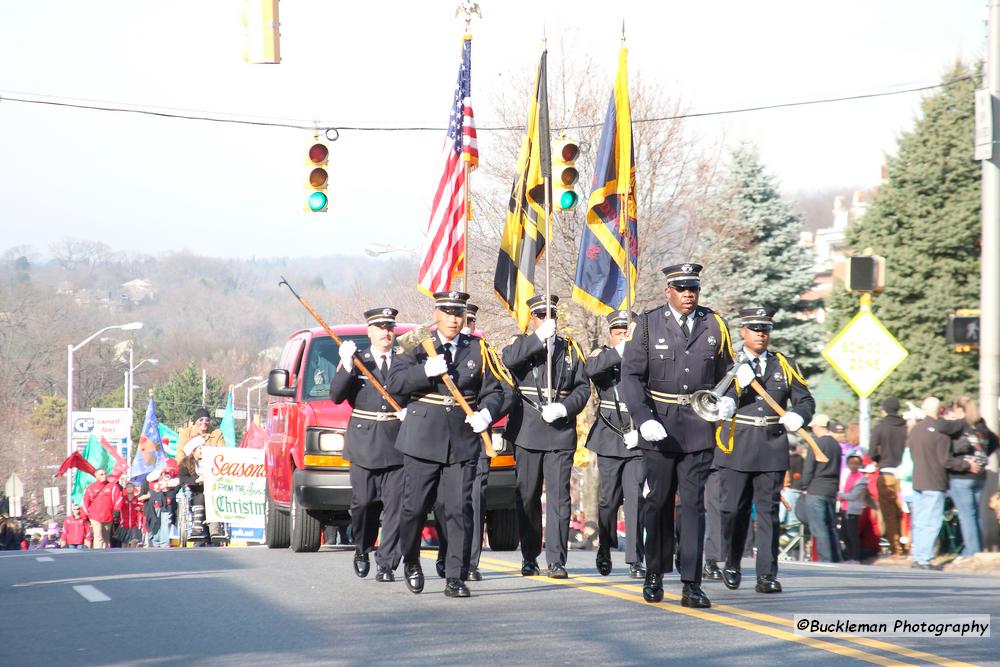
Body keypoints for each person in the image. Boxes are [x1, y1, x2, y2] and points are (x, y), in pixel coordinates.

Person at [619, 262, 736, 608]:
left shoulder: (714, 324)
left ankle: (691, 582)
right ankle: (654, 572)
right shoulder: (647, 324)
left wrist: (729, 400)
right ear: (668, 291)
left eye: (694, 289)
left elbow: (728, 372)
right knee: (657, 501)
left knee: (693, 506)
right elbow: (631, 377)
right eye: (682, 289)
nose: (689, 295)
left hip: (699, 425)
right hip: (659, 426)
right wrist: (642, 418)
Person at [386, 290, 509, 598]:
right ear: (437, 313)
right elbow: (395, 385)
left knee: (458, 509)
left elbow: (497, 390)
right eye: (449, 312)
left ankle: (455, 575)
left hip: (462, 442)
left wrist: (486, 413)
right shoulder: (414, 345)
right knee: (414, 509)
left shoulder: (477, 349)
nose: (455, 319)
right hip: (422, 439)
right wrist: (424, 372)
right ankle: (412, 561)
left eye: (460, 313)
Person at [714, 307, 815, 594]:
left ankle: (767, 575)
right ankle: (732, 562)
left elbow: (805, 400)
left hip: (771, 444)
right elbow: (715, 397)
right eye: (755, 329)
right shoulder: (729, 362)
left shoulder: (784, 364)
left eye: (765, 329)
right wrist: (731, 396)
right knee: (733, 509)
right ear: (743, 332)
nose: (761, 334)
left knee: (769, 512)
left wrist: (800, 416)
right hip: (737, 443)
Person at [502, 294, 590, 580]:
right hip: (527, 431)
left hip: (560, 431)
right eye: (540, 314)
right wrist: (538, 338)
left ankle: (556, 559)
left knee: (559, 498)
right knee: (526, 496)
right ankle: (529, 556)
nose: (546, 318)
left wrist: (565, 407)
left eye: (550, 314)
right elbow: (509, 361)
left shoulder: (571, 349)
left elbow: (582, 388)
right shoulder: (521, 344)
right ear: (531, 319)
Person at [330, 306, 407, 582]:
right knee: (363, 504)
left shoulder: (404, 361)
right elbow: (336, 396)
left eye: (390, 328)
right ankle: (362, 548)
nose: (386, 333)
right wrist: (346, 366)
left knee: (396, 507)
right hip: (364, 443)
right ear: (369, 331)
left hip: (397, 441)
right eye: (380, 328)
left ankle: (387, 563)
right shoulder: (359, 360)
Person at [435, 302, 503, 582]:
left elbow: (501, 390)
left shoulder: (483, 351)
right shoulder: (430, 347)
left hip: (473, 439)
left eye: (467, 320)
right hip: (437, 440)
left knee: (467, 503)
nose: (462, 323)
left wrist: (486, 414)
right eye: (458, 318)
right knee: (442, 505)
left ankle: (465, 564)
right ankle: (446, 552)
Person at [584, 310, 646, 579]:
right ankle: (605, 548)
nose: (623, 336)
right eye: (618, 332)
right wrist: (620, 350)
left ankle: (634, 558)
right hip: (610, 435)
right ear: (611, 334)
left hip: (638, 436)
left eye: (627, 332)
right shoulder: (603, 354)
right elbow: (591, 370)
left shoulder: (646, 356)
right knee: (609, 499)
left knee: (635, 499)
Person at [908, 396, 976, 570]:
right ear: (940, 410)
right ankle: (925, 558)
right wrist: (967, 464)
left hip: (918, 479)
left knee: (920, 520)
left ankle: (918, 556)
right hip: (935, 481)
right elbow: (945, 460)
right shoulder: (941, 434)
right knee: (932, 521)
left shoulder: (915, 430)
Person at [947, 397, 998, 557]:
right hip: (980, 476)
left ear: (960, 410)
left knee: (966, 515)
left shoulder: (959, 425)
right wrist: (982, 456)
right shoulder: (981, 426)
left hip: (962, 475)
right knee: (976, 513)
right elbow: (995, 441)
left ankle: (971, 551)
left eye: (954, 409)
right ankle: (978, 548)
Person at [800, 415, 843, 562]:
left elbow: (809, 468)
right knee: (831, 526)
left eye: (813, 428)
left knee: (819, 527)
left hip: (816, 488)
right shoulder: (836, 445)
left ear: (818, 427)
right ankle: (837, 558)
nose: (813, 431)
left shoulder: (816, 444)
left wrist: (804, 485)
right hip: (831, 489)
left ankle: (826, 559)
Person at [869, 396, 908, 556]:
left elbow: (872, 452)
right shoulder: (906, 427)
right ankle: (908, 545)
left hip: (886, 474)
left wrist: (879, 459)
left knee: (889, 514)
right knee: (905, 513)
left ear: (884, 410)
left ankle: (896, 549)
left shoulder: (880, 428)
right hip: (904, 475)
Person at [178, 436, 216, 546]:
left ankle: (215, 529)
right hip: (194, 491)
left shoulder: (210, 462)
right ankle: (197, 527)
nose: (203, 451)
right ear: (193, 450)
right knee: (200, 496)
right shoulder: (185, 464)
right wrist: (197, 480)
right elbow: (183, 479)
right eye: (200, 448)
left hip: (209, 491)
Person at [838, 453, 870, 563]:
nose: (853, 466)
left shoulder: (861, 479)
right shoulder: (847, 476)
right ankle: (849, 555)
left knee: (852, 535)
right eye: (851, 463)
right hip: (844, 507)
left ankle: (855, 557)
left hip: (853, 510)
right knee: (844, 534)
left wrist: (839, 494)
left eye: (856, 463)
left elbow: (853, 496)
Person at [82, 468, 123, 549]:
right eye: (101, 474)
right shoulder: (91, 487)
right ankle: (97, 554)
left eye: (105, 474)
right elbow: (85, 502)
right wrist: (85, 516)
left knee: (105, 539)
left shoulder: (113, 486)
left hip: (108, 516)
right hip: (95, 516)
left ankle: (103, 554)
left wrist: (117, 510)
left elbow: (118, 499)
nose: (104, 476)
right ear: (96, 476)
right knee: (98, 537)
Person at [143, 467, 178, 548]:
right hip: (156, 501)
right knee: (156, 522)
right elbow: (149, 478)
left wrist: (168, 483)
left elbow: (178, 481)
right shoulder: (155, 472)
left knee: (166, 522)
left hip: (167, 501)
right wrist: (160, 471)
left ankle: (164, 543)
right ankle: (156, 541)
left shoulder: (171, 471)